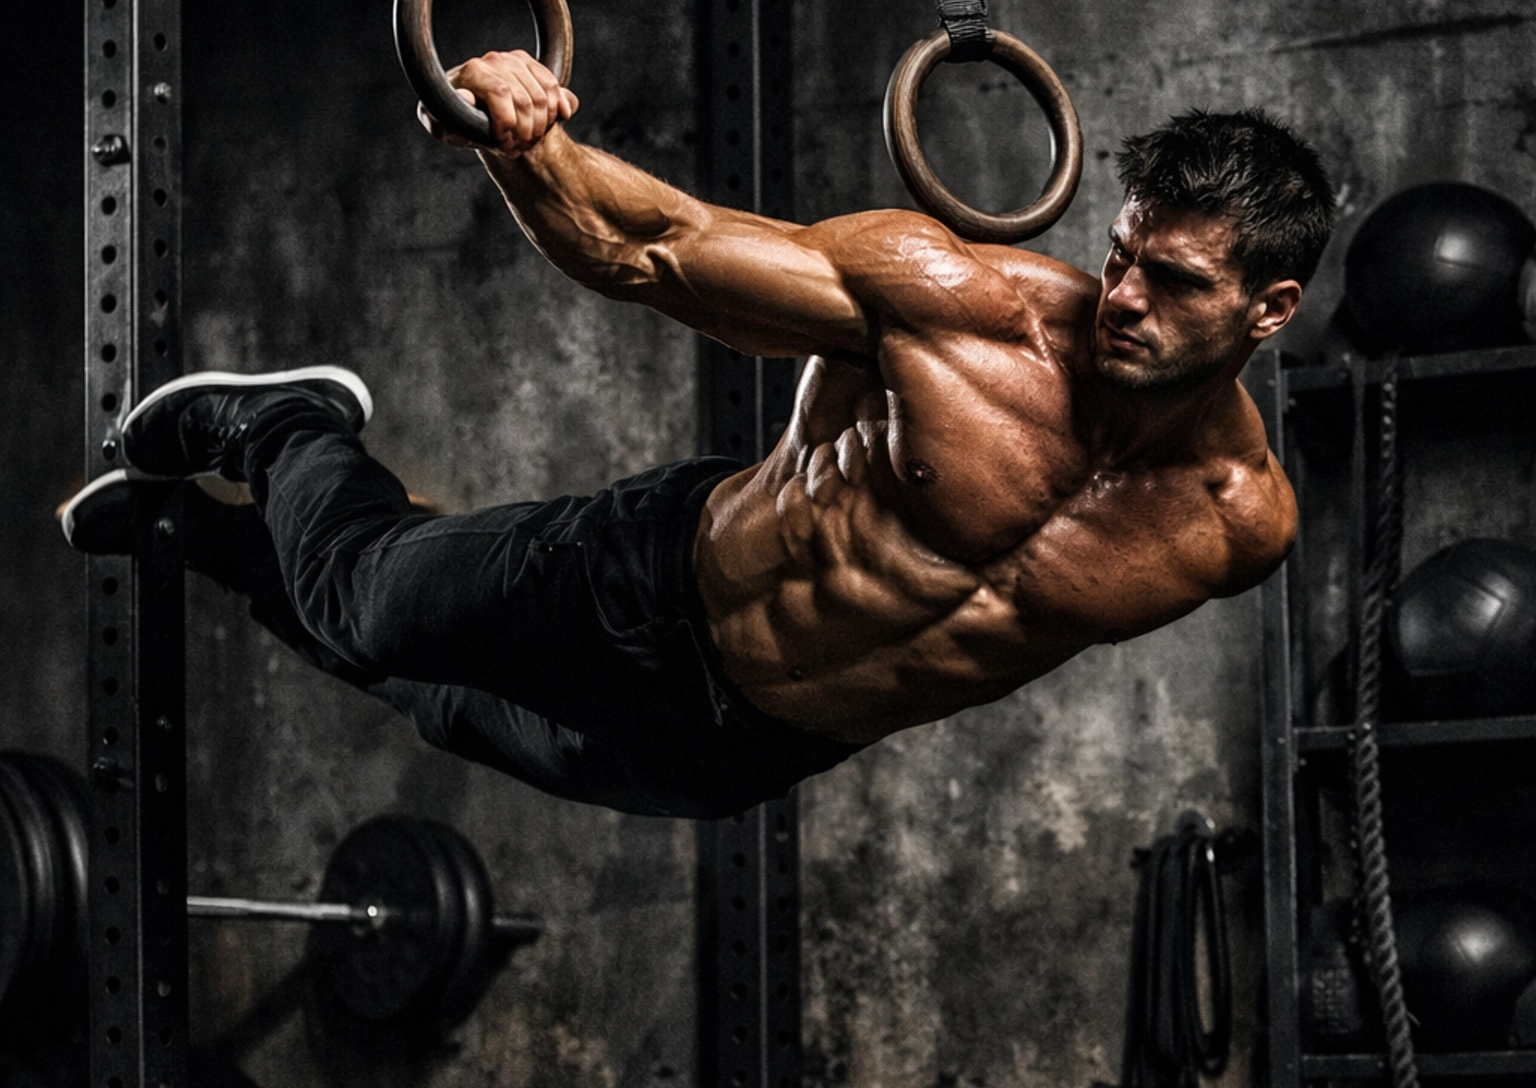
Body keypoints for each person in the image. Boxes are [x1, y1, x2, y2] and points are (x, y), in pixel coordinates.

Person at [63, 50, 1336, 819]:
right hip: (650, 586)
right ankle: (286, 426)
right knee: (372, 614)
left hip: (742, 745)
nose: (1122, 297)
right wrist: (518, 137)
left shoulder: (1238, 530)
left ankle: (212, 548)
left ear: (1269, 309)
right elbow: (653, 247)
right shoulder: (967, 316)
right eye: (1120, 257)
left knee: (435, 710)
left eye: (1171, 282)